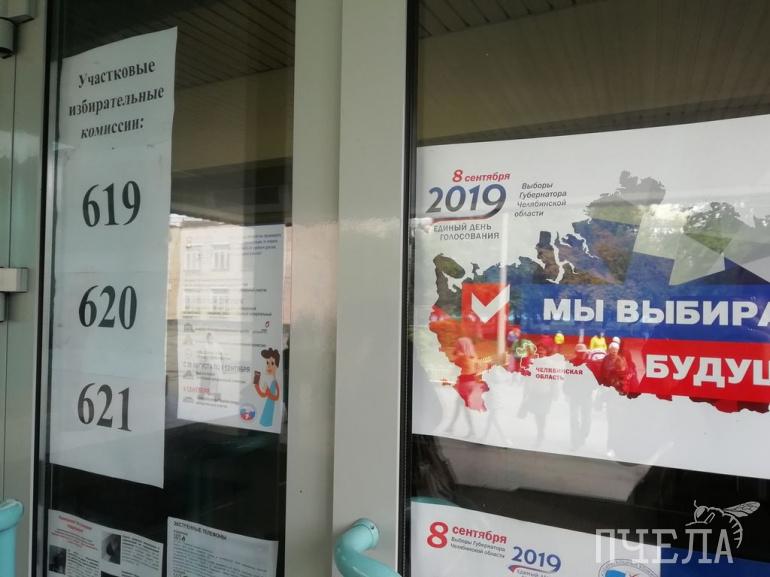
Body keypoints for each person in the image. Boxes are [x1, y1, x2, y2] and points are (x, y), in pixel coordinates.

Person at [256, 348, 281, 427]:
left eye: (272, 363)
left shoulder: (275, 382)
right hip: (266, 410)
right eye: (267, 363)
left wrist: (267, 390)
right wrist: (256, 384)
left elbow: (276, 397)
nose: (269, 366)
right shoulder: (269, 380)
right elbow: (262, 395)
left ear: (277, 366)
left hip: (271, 411)